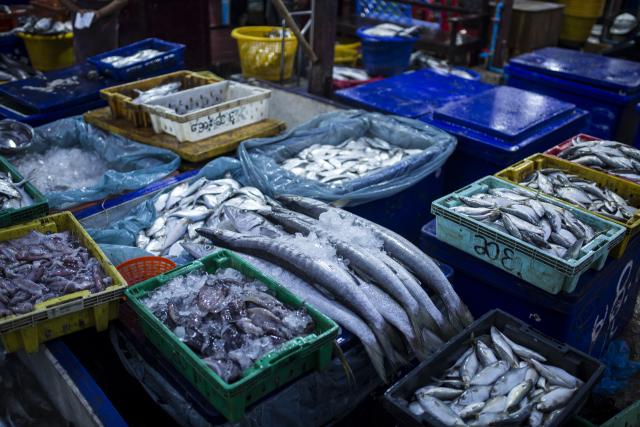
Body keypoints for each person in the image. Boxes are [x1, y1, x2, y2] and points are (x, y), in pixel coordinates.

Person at [60, 0, 129, 63]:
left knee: (107, 59)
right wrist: (76, 9)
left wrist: (100, 13)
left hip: (106, 23)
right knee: (85, 59)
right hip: (82, 22)